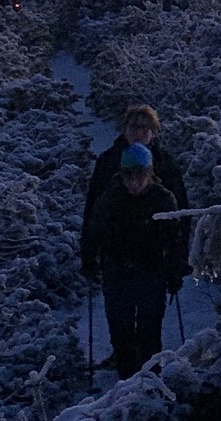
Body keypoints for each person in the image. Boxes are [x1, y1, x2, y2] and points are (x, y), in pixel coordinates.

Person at [80, 143, 189, 378]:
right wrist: (89, 260)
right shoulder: (109, 199)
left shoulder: (163, 199)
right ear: (122, 174)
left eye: (141, 175)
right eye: (129, 175)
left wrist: (175, 270)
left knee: (150, 330)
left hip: (152, 272)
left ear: (150, 173)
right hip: (117, 272)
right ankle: (126, 381)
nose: (135, 181)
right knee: (121, 331)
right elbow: (93, 232)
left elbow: (175, 239)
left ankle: (151, 381)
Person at [84, 103, 189, 235]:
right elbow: (93, 206)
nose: (139, 133)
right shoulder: (108, 160)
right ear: (125, 129)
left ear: (154, 132)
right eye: (134, 127)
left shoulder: (165, 163)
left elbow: (181, 209)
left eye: (145, 128)